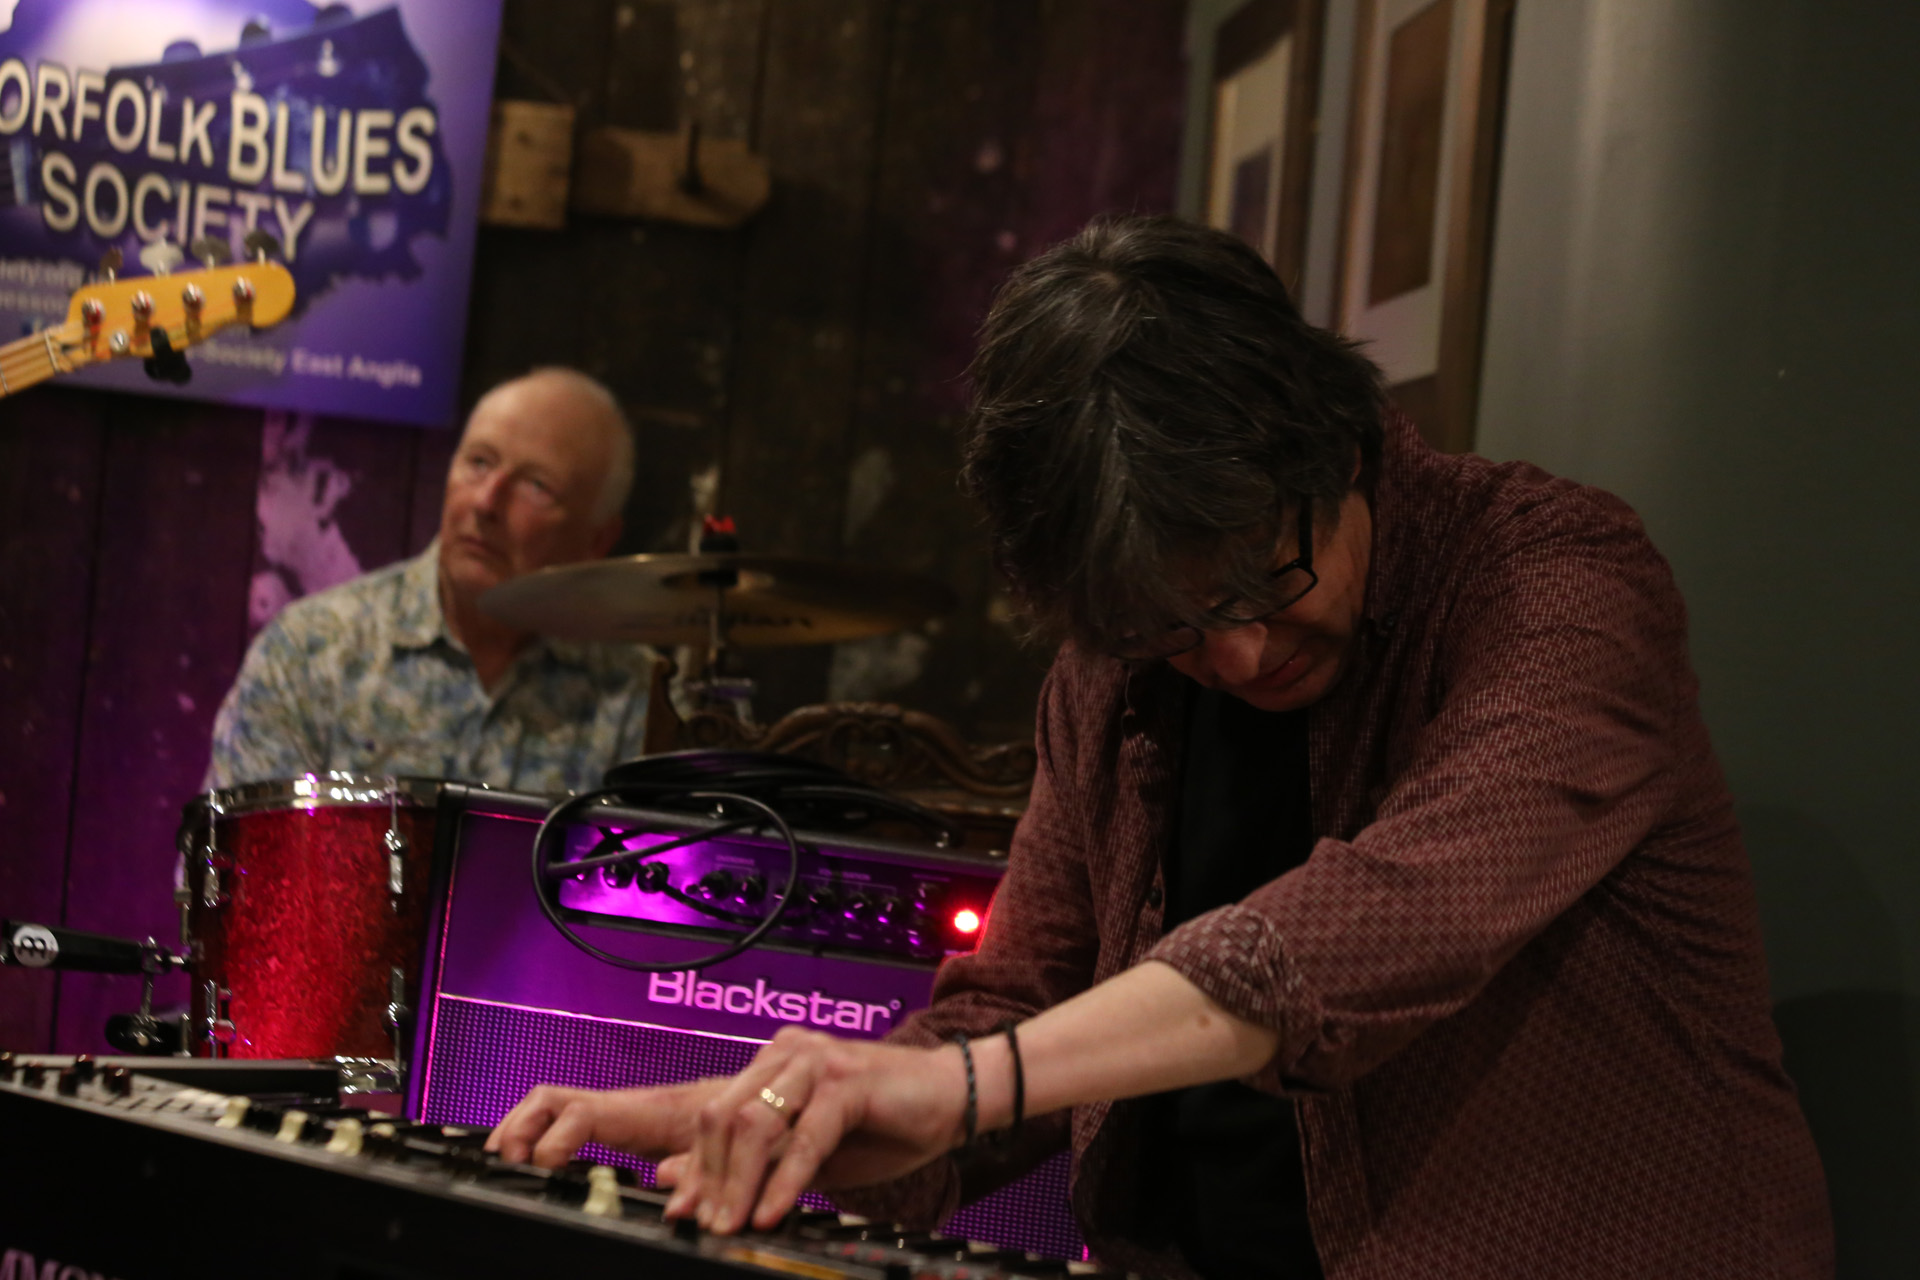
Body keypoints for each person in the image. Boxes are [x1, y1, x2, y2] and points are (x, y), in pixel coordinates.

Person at [485, 218, 1833, 1277]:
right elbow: (1013, 1017)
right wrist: (784, 1118)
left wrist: (960, 1082)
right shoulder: (1111, 680)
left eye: (1266, 578)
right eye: (1174, 625)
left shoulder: (1563, 583)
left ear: (1334, 444)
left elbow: (1383, 921)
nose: (1238, 655)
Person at [205, 367, 658, 795]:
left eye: (537, 486)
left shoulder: (637, 696)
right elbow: (236, 846)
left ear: (597, 540)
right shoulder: (310, 651)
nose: (486, 502)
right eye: (479, 462)